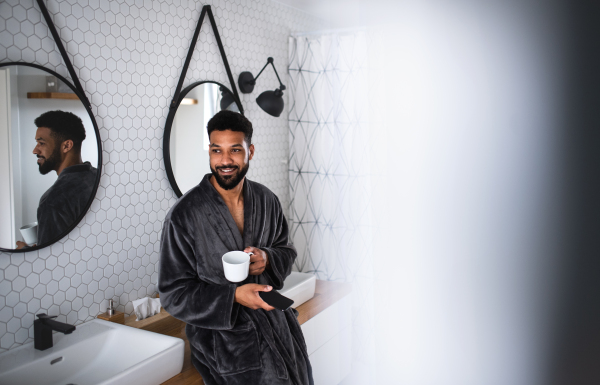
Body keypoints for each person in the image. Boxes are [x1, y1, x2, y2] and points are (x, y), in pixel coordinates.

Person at [159, 111, 313, 385]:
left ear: (250, 151)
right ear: (209, 151)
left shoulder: (267, 200)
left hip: (278, 332)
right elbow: (174, 294)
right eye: (217, 150)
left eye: (235, 150)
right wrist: (234, 297)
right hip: (226, 350)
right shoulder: (184, 215)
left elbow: (286, 250)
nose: (225, 160)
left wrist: (268, 257)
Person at [15, 110, 97, 249]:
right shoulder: (98, 176)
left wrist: (27, 252)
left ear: (66, 146)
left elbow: (50, 264)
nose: (35, 150)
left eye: (41, 143)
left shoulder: (53, 201)